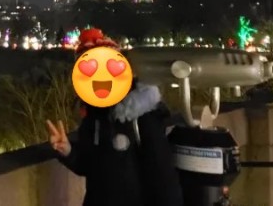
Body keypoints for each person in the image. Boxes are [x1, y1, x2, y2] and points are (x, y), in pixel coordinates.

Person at [46, 28, 184, 206]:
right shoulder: (95, 116)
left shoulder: (143, 116)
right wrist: (68, 151)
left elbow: (164, 180)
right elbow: (90, 166)